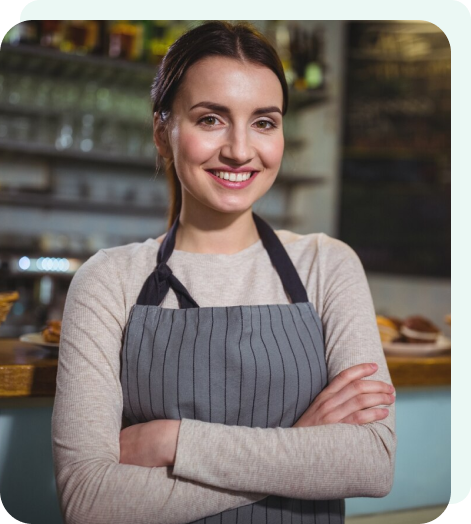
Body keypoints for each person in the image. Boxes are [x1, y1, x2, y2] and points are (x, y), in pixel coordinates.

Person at [52, 21, 396, 524]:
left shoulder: (328, 265)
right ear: (162, 132)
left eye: (264, 122)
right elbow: (90, 502)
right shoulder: (108, 281)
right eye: (211, 119)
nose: (239, 150)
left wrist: (176, 441)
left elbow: (372, 463)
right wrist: (301, 448)